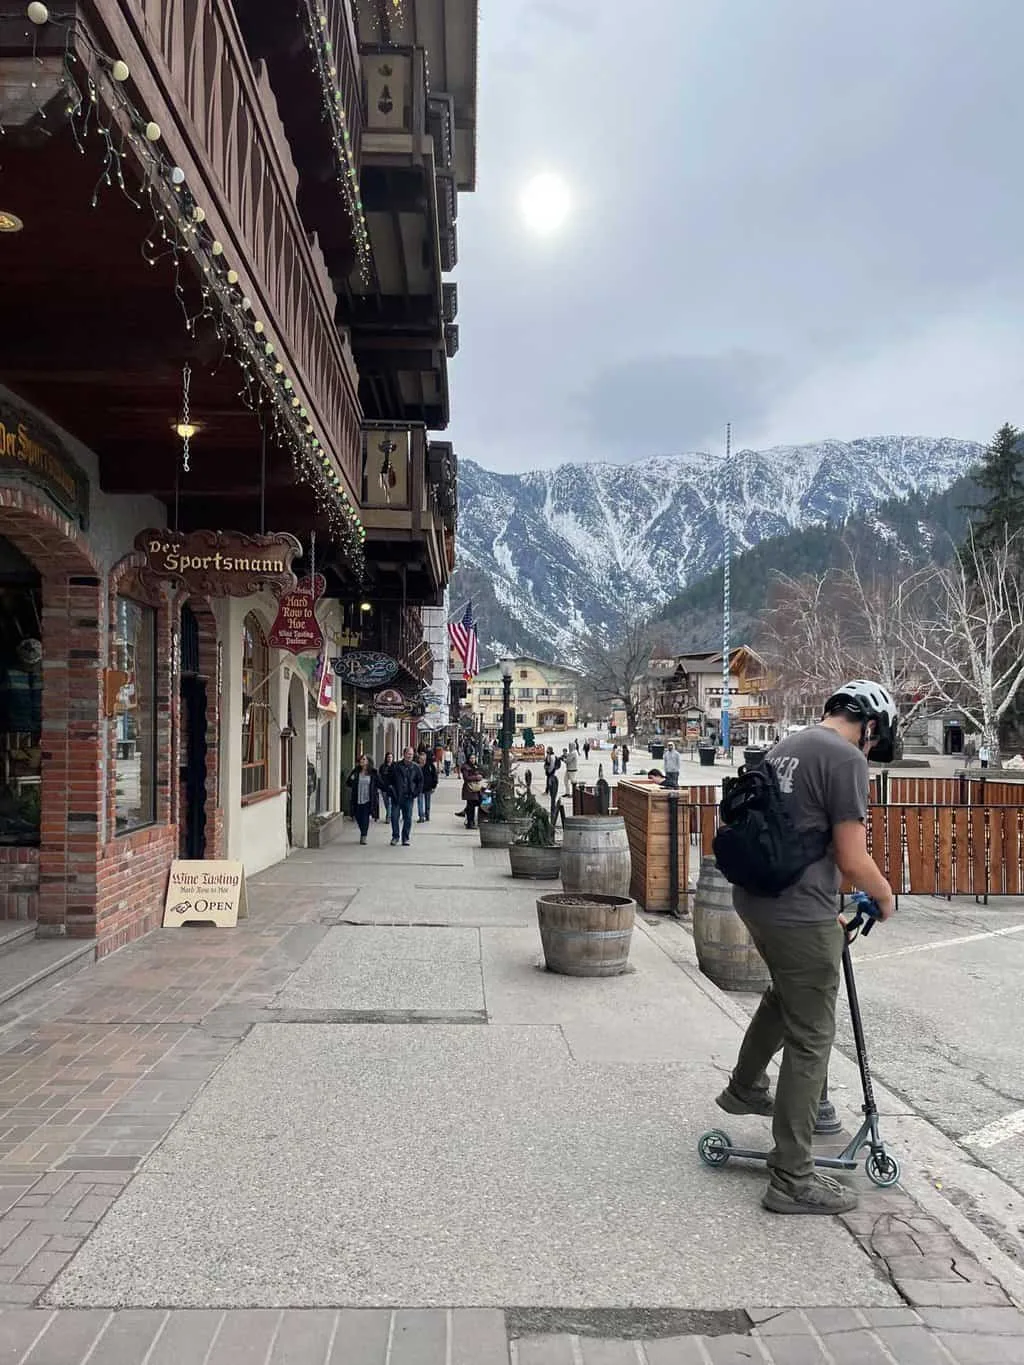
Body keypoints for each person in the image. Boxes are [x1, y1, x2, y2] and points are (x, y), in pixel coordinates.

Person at [716, 679, 898, 1216]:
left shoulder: (786, 746)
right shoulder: (844, 759)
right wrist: (885, 897)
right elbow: (851, 858)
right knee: (812, 1037)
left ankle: (745, 1087)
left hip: (757, 901)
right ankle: (792, 1178)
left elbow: (800, 840)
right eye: (875, 738)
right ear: (869, 726)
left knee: (783, 997)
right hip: (799, 914)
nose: (871, 748)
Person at [387, 748, 423, 847]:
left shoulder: (416, 767)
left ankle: (405, 838)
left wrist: (415, 792)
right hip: (397, 797)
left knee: (408, 818)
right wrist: (391, 791)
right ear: (404, 754)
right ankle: (395, 836)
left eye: (411, 754)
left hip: (409, 797)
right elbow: (389, 780)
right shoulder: (396, 766)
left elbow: (420, 781)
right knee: (394, 817)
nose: (409, 756)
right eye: (408, 754)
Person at [346, 755, 380, 845]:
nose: (362, 760)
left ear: (368, 762)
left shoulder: (373, 772)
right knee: (358, 817)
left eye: (364, 759)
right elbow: (348, 783)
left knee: (365, 818)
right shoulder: (356, 771)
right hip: (357, 799)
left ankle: (363, 836)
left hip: (368, 799)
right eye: (361, 759)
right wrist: (351, 779)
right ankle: (363, 831)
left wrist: (389, 789)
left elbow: (380, 783)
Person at [461, 756, 485, 829]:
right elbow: (466, 778)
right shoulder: (465, 767)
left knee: (476, 804)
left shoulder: (475, 766)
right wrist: (476, 777)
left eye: (474, 758)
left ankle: (469, 818)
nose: (473, 760)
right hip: (469, 789)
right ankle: (470, 823)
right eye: (471, 758)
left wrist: (480, 776)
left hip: (476, 789)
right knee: (471, 806)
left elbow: (481, 773)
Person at [417, 750, 438, 822]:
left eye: (423, 759)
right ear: (419, 759)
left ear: (425, 759)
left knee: (427, 802)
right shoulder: (416, 766)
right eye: (420, 759)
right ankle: (421, 816)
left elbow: (434, 776)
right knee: (420, 802)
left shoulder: (430, 766)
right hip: (419, 788)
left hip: (428, 787)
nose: (422, 760)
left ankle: (427, 815)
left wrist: (434, 786)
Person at [377, 751, 395, 823]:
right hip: (384, 787)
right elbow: (379, 776)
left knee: (390, 802)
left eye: (391, 757)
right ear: (386, 758)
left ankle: (388, 817)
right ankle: (389, 813)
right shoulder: (382, 766)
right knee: (386, 803)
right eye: (388, 757)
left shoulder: (395, 766)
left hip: (392, 787)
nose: (389, 758)